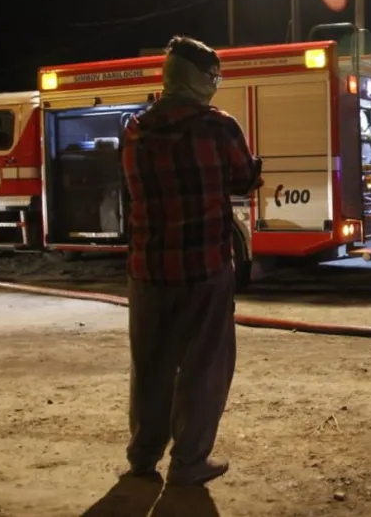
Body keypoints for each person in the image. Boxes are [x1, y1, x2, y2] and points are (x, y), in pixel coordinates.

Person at [121, 36, 263, 486]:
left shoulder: (134, 128)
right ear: (198, 79)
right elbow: (243, 178)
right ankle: (189, 462)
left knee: (150, 366)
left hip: (148, 269)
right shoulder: (218, 127)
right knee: (204, 366)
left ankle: (143, 457)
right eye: (213, 76)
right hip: (205, 268)